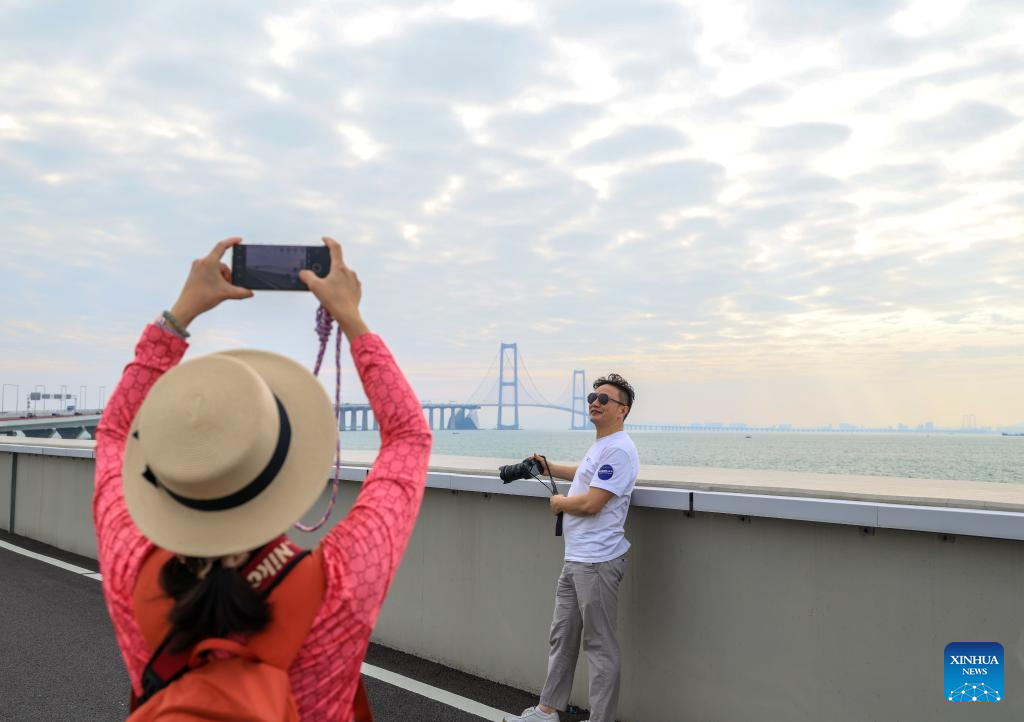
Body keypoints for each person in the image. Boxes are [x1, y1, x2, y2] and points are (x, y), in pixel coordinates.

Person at [92, 236, 432, 719]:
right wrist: (351, 318)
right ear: (282, 468)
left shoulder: (132, 569)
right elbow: (408, 438)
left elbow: (112, 435)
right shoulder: (339, 585)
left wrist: (179, 314)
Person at [505, 374, 639, 722]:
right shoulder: (602, 446)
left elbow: (593, 503)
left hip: (597, 561)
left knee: (599, 646)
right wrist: (549, 468)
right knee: (562, 636)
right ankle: (547, 710)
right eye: (593, 397)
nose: (595, 402)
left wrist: (560, 504)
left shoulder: (620, 449)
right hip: (577, 558)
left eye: (604, 399)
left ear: (622, 410)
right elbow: (585, 473)